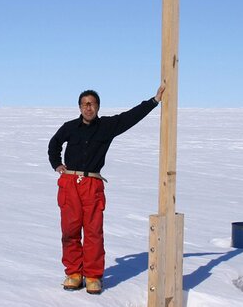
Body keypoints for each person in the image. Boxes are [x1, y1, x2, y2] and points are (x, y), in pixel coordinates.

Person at [48, 84, 165, 295]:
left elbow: (131, 116)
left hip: (92, 185)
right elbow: (54, 144)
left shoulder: (107, 126)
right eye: (84, 104)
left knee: (93, 232)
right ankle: (74, 273)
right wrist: (57, 164)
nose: (88, 108)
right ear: (79, 107)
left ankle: (93, 276)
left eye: (92, 104)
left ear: (98, 106)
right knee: (70, 231)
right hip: (69, 184)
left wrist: (154, 100)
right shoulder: (69, 127)